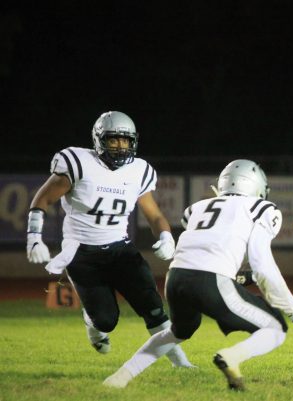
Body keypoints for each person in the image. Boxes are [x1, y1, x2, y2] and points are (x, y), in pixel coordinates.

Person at [103, 159, 293, 391]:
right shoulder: (262, 209)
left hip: (176, 278)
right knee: (275, 329)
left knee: (178, 332)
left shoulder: (198, 208)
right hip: (211, 281)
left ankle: (119, 378)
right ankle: (230, 357)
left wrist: (242, 278)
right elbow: (262, 264)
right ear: (257, 187)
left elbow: (210, 250)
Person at [26, 111, 191, 368]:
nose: (120, 146)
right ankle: (93, 323)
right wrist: (34, 237)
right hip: (82, 253)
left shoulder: (139, 170)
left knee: (153, 308)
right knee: (106, 320)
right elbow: (43, 199)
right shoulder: (78, 162)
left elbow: (154, 213)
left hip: (120, 249)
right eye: (114, 140)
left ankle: (181, 364)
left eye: (126, 141)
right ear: (99, 139)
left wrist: (167, 236)